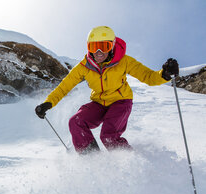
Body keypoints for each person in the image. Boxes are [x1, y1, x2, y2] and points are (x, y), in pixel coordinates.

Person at [35, 26, 179, 154]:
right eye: (93, 47)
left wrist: (165, 74)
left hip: (121, 101)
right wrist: (48, 103)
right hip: (99, 103)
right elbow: (64, 87)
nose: (98, 52)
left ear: (112, 46)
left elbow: (148, 76)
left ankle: (129, 161)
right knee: (75, 122)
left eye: (103, 46)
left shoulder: (124, 61)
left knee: (108, 135)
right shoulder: (83, 67)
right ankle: (92, 160)